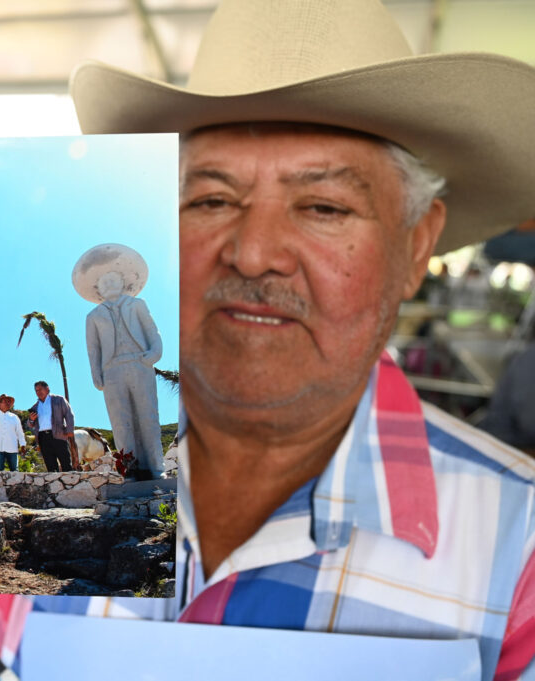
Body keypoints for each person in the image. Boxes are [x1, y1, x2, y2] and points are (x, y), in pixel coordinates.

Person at [67, 0, 535, 676]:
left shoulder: (517, 552)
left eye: (323, 206)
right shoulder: (69, 502)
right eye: (212, 200)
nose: (254, 254)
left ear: (417, 244)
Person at [75, 244, 165, 479]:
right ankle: (131, 470)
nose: (109, 284)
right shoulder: (93, 316)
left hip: (139, 363)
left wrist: (154, 353)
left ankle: (157, 467)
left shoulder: (137, 305)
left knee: (148, 416)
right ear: (98, 290)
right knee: (120, 422)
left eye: (113, 279)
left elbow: (152, 332)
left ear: (123, 282)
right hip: (112, 370)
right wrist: (96, 372)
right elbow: (92, 349)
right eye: (104, 282)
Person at [26, 381, 76, 473]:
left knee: (65, 463)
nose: (38, 392)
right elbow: (30, 424)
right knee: (50, 465)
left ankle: (70, 485)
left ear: (47, 389)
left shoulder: (59, 400)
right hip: (43, 438)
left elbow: (69, 414)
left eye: (40, 389)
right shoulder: (35, 407)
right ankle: (55, 486)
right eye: (36, 390)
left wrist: (69, 430)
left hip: (59, 434)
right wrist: (31, 419)